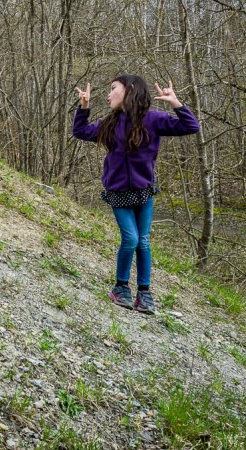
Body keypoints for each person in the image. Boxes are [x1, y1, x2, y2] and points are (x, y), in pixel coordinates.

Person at [72, 75, 199, 314]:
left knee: (143, 241)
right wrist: (84, 107)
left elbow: (191, 126)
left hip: (143, 193)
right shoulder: (109, 124)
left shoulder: (153, 120)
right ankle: (120, 288)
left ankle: (144, 293)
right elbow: (80, 131)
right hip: (118, 193)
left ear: (129, 91)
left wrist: (175, 103)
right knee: (130, 238)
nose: (108, 95)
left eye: (112, 89)